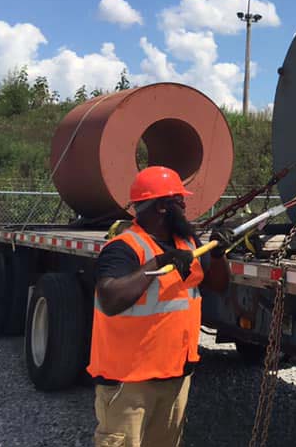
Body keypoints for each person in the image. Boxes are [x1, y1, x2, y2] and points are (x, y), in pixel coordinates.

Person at [88, 166, 230, 447]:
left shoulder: (187, 242)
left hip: (175, 378)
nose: (185, 206)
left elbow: (218, 285)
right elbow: (110, 299)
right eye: (180, 201)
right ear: (164, 207)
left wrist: (218, 255)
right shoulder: (124, 248)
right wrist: (156, 264)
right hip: (129, 384)